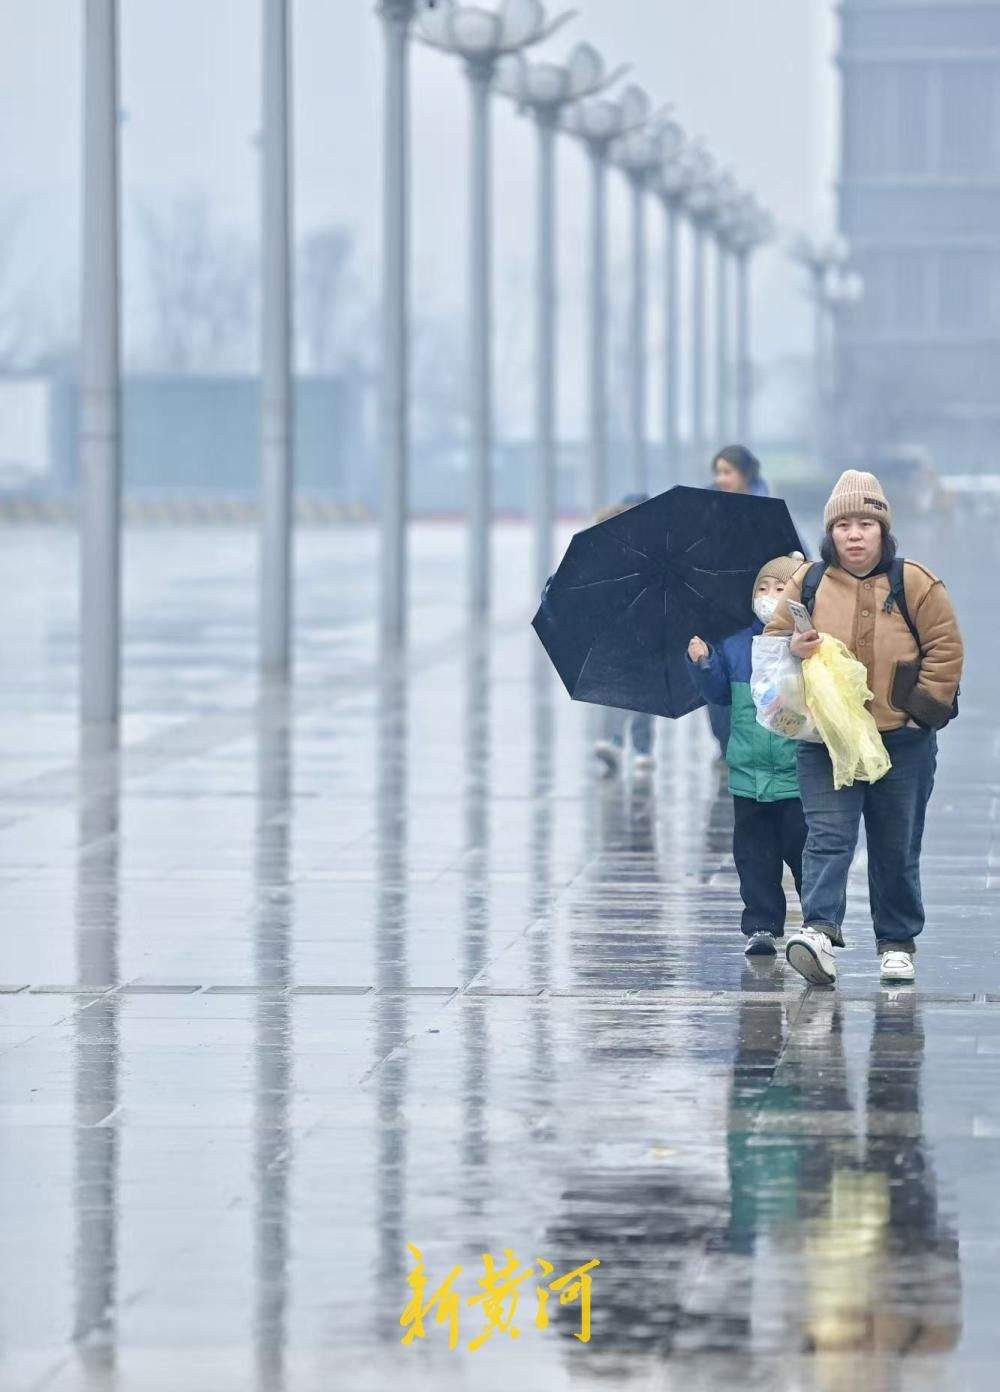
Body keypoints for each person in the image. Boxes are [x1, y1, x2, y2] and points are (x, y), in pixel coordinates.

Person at [765, 470, 964, 988]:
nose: (854, 534)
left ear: (883, 530)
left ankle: (897, 943)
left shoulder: (914, 582)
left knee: (896, 845)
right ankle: (819, 933)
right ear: (830, 532)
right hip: (826, 741)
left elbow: (945, 649)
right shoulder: (806, 581)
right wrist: (793, 647)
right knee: (828, 839)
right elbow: (772, 641)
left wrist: (922, 713)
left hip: (903, 739)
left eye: (865, 524)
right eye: (844, 525)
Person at [686, 552, 807, 955]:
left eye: (780, 588)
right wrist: (704, 663)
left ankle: (818, 923)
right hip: (748, 775)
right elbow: (718, 693)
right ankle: (762, 925)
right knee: (754, 858)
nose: (769, 596)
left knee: (806, 854)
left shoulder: (807, 643)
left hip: (797, 776)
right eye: (762, 588)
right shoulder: (737, 646)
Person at [705, 446, 770, 761]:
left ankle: (746, 747)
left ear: (746, 475)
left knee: (748, 686)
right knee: (715, 691)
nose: (721, 479)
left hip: (753, 618)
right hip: (715, 615)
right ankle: (726, 746)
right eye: (717, 472)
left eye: (727, 471)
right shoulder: (704, 509)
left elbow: (792, 558)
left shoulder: (766, 512)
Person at [591, 493, 655, 778]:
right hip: (616, 638)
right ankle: (614, 741)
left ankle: (641, 748)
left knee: (644, 696)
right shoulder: (603, 555)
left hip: (649, 635)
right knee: (616, 692)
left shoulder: (655, 553)